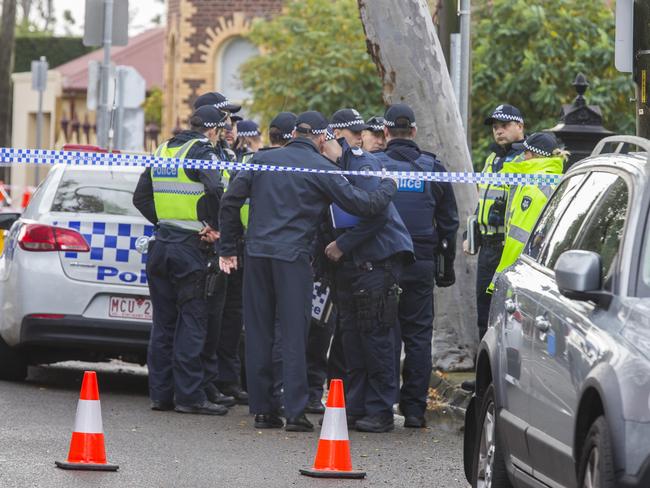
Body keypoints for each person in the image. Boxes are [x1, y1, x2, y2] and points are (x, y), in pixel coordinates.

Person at [218, 111, 399, 432]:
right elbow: (363, 205)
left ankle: (263, 410)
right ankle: (295, 412)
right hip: (292, 259)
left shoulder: (261, 160)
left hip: (256, 256)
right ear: (320, 138)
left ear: (294, 133)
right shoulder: (320, 167)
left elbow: (230, 201)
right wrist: (388, 185)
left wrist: (229, 247)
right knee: (292, 333)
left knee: (258, 332)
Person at [134, 105, 229, 415]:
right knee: (193, 320)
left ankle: (161, 395)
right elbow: (215, 187)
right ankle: (189, 397)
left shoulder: (164, 148)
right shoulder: (202, 150)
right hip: (190, 249)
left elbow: (140, 197)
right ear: (213, 130)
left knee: (163, 324)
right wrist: (213, 225)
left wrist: (164, 222)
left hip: (161, 245)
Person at [325, 108, 414, 433]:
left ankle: (379, 410)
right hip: (354, 267)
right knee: (353, 339)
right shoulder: (335, 166)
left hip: (376, 263)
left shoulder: (362, 164)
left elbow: (374, 215)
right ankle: (357, 404)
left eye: (337, 136)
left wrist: (342, 245)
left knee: (375, 336)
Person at [374, 103, 459, 428]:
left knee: (386, 332)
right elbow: (449, 223)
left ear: (384, 132)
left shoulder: (375, 166)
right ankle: (413, 410)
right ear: (414, 131)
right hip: (421, 263)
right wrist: (445, 266)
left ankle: (383, 405)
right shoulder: (433, 168)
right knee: (419, 336)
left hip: (383, 264)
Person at [465, 104, 526, 341]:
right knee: (485, 310)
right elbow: (484, 199)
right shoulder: (493, 158)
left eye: (504, 125)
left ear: (520, 126)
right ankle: (484, 374)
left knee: (511, 311)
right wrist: (471, 233)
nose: (498, 131)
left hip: (511, 247)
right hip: (488, 246)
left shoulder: (527, 158)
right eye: (495, 127)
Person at [487, 132, 565, 292]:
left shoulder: (536, 186)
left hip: (522, 276)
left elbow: (522, 239)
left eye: (525, 152)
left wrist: (505, 275)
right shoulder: (534, 179)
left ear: (535, 155)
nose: (522, 156)